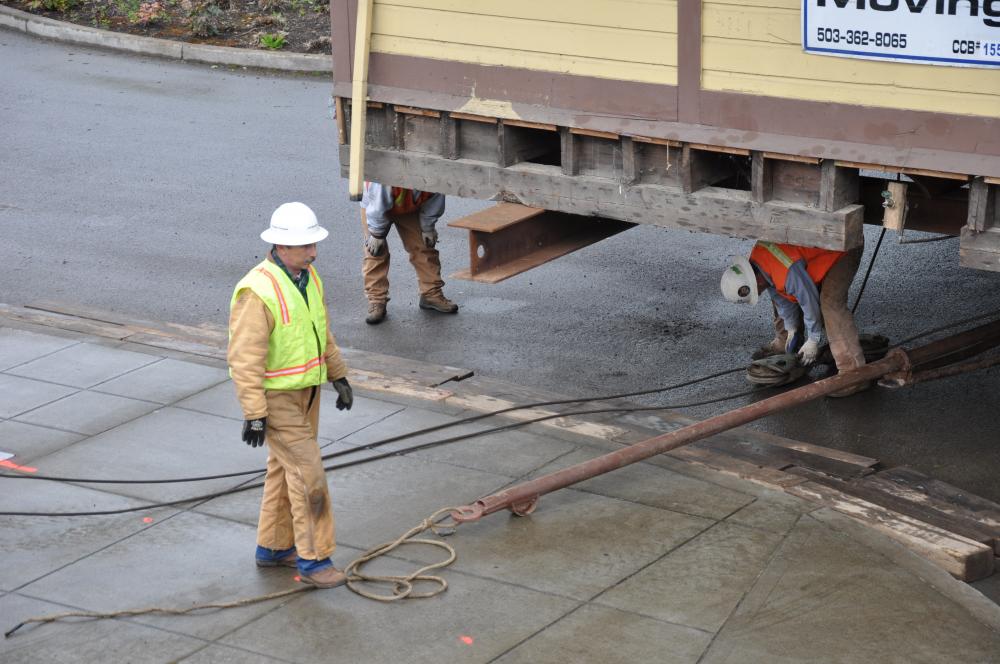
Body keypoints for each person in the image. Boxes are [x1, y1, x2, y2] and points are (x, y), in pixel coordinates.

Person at [228, 202, 354, 588]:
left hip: (306, 393)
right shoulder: (257, 290)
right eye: (305, 246)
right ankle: (315, 559)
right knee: (307, 473)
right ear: (281, 247)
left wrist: (338, 374)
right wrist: (254, 412)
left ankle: (273, 547)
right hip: (277, 399)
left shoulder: (309, 277)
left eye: (314, 244)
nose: (313, 252)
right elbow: (244, 359)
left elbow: (321, 331)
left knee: (285, 470)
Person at [720, 240, 868, 396]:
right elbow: (780, 296)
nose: (761, 292)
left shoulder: (786, 272)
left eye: (758, 290)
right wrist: (792, 328)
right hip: (813, 255)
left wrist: (813, 339)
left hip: (841, 248)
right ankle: (789, 344)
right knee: (798, 295)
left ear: (755, 280)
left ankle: (854, 374)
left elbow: (808, 300)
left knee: (829, 304)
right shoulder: (758, 264)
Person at [360, 182, 458, 324]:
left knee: (423, 248)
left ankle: (431, 294)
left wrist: (427, 227)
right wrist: (376, 234)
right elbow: (377, 204)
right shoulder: (384, 180)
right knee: (376, 253)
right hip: (375, 207)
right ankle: (377, 300)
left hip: (408, 205)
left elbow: (434, 199)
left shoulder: (433, 174)